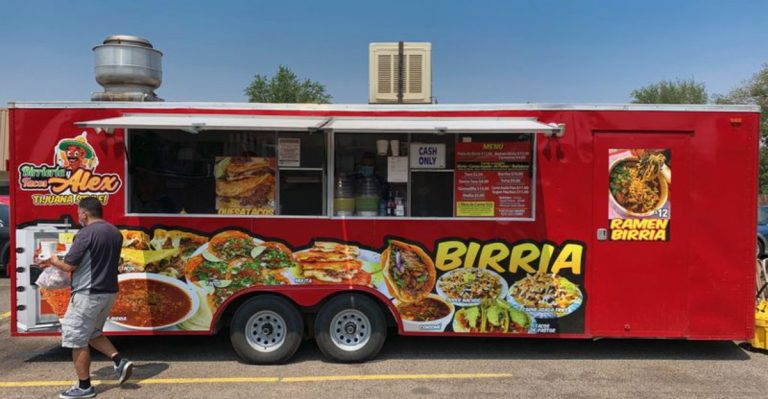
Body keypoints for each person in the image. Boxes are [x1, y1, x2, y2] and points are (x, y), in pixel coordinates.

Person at [42, 197, 133, 398]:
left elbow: (69, 266)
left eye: (79, 213)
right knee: (92, 333)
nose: (78, 217)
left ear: (84, 213)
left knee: (76, 340)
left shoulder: (85, 234)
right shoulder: (114, 232)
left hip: (87, 294)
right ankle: (120, 361)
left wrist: (54, 261)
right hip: (109, 292)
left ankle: (84, 387)